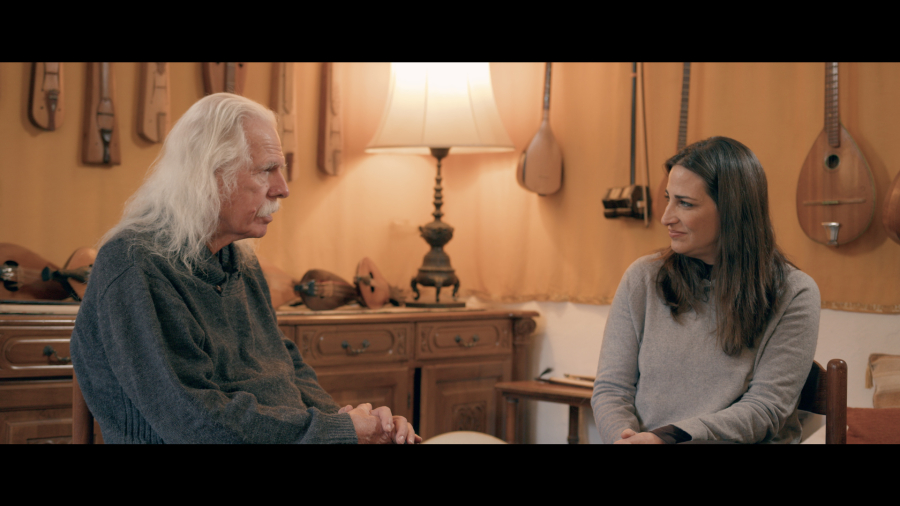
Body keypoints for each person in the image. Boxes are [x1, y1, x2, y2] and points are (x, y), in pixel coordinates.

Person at [70, 93, 420, 444]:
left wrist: (357, 425)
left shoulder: (239, 261)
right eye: (267, 170)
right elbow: (195, 423)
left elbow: (288, 369)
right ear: (210, 174)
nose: (282, 188)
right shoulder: (135, 265)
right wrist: (341, 431)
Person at [591, 136, 820, 444]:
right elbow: (611, 389)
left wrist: (667, 438)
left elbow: (766, 409)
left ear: (732, 211)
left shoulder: (795, 293)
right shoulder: (642, 278)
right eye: (668, 198)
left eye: (685, 203)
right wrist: (624, 438)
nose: (666, 217)